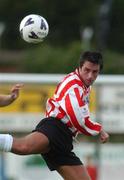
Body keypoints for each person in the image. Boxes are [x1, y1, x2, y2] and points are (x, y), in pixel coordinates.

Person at [0, 51, 109, 180]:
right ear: (79, 67)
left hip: (64, 138)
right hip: (55, 128)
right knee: (24, 147)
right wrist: (99, 130)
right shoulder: (73, 86)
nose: (90, 75)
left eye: (95, 72)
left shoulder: (84, 86)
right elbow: (78, 119)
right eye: (87, 70)